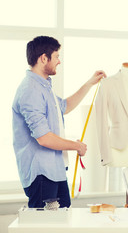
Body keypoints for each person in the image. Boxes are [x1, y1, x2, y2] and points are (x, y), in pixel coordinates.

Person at [12, 36, 106, 208]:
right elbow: (44, 138)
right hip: (41, 174)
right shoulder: (30, 90)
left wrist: (89, 83)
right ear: (43, 58)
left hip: (55, 171)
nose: (59, 61)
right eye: (56, 56)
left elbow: (64, 106)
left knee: (63, 220)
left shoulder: (43, 86)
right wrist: (76, 146)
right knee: (45, 225)